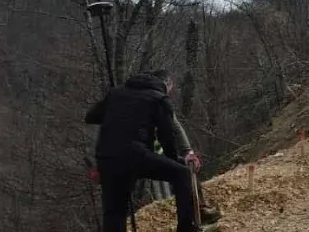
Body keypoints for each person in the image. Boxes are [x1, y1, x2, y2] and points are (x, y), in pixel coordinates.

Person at [85, 70, 201, 232]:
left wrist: (118, 112)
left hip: (106, 158)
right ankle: (187, 228)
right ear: (167, 85)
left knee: (114, 212)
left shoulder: (116, 93)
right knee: (182, 173)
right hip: (135, 155)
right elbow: (167, 136)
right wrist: (174, 159)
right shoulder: (159, 99)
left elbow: (91, 116)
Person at [151, 115, 222, 225]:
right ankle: (187, 222)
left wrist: (188, 152)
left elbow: (175, 125)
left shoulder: (162, 106)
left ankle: (199, 210)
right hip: (134, 154)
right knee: (181, 172)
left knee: (186, 168)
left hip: (153, 151)